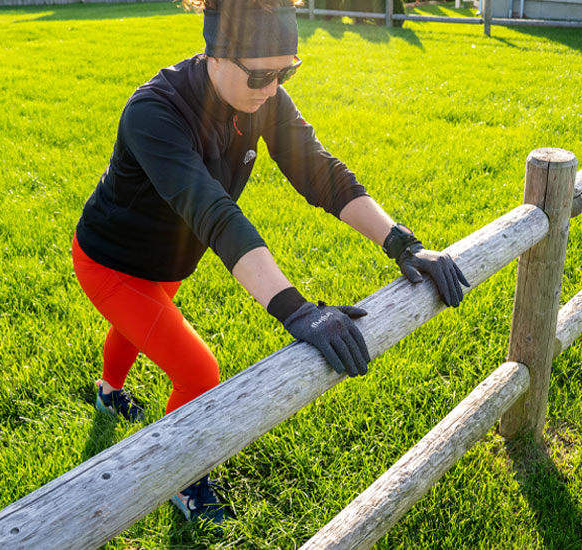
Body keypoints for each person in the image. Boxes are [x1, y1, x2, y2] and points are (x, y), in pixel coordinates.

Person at [71, 0, 469, 529]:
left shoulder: (266, 99)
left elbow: (321, 173)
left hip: (167, 262)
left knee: (144, 321)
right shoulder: (154, 112)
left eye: (287, 71)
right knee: (198, 370)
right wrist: (294, 309)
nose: (273, 87)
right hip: (111, 261)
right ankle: (183, 478)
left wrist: (402, 243)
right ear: (216, 55)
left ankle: (107, 393)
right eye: (261, 73)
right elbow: (214, 212)